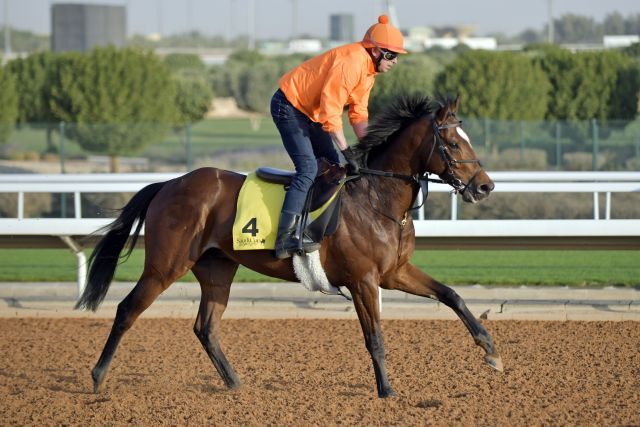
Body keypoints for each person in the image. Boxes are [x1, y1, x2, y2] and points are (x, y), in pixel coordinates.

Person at [270, 14, 406, 259]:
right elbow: (332, 113)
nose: (395, 62)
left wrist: (368, 148)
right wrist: (347, 151)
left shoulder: (368, 71)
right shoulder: (351, 63)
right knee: (309, 168)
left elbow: (358, 113)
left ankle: (318, 228)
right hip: (288, 106)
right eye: (391, 55)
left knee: (334, 170)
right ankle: (285, 238)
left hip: (311, 113)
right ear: (375, 51)